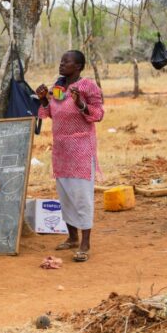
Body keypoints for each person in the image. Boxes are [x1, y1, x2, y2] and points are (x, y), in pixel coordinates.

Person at [36, 50, 104, 263]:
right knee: (65, 194)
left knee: (81, 195)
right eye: (61, 61)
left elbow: (98, 114)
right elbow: (49, 113)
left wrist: (80, 103)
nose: (62, 64)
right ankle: (72, 237)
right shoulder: (58, 87)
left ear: (78, 66)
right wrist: (43, 99)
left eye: (67, 62)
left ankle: (85, 243)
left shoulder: (87, 86)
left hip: (81, 148)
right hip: (61, 150)